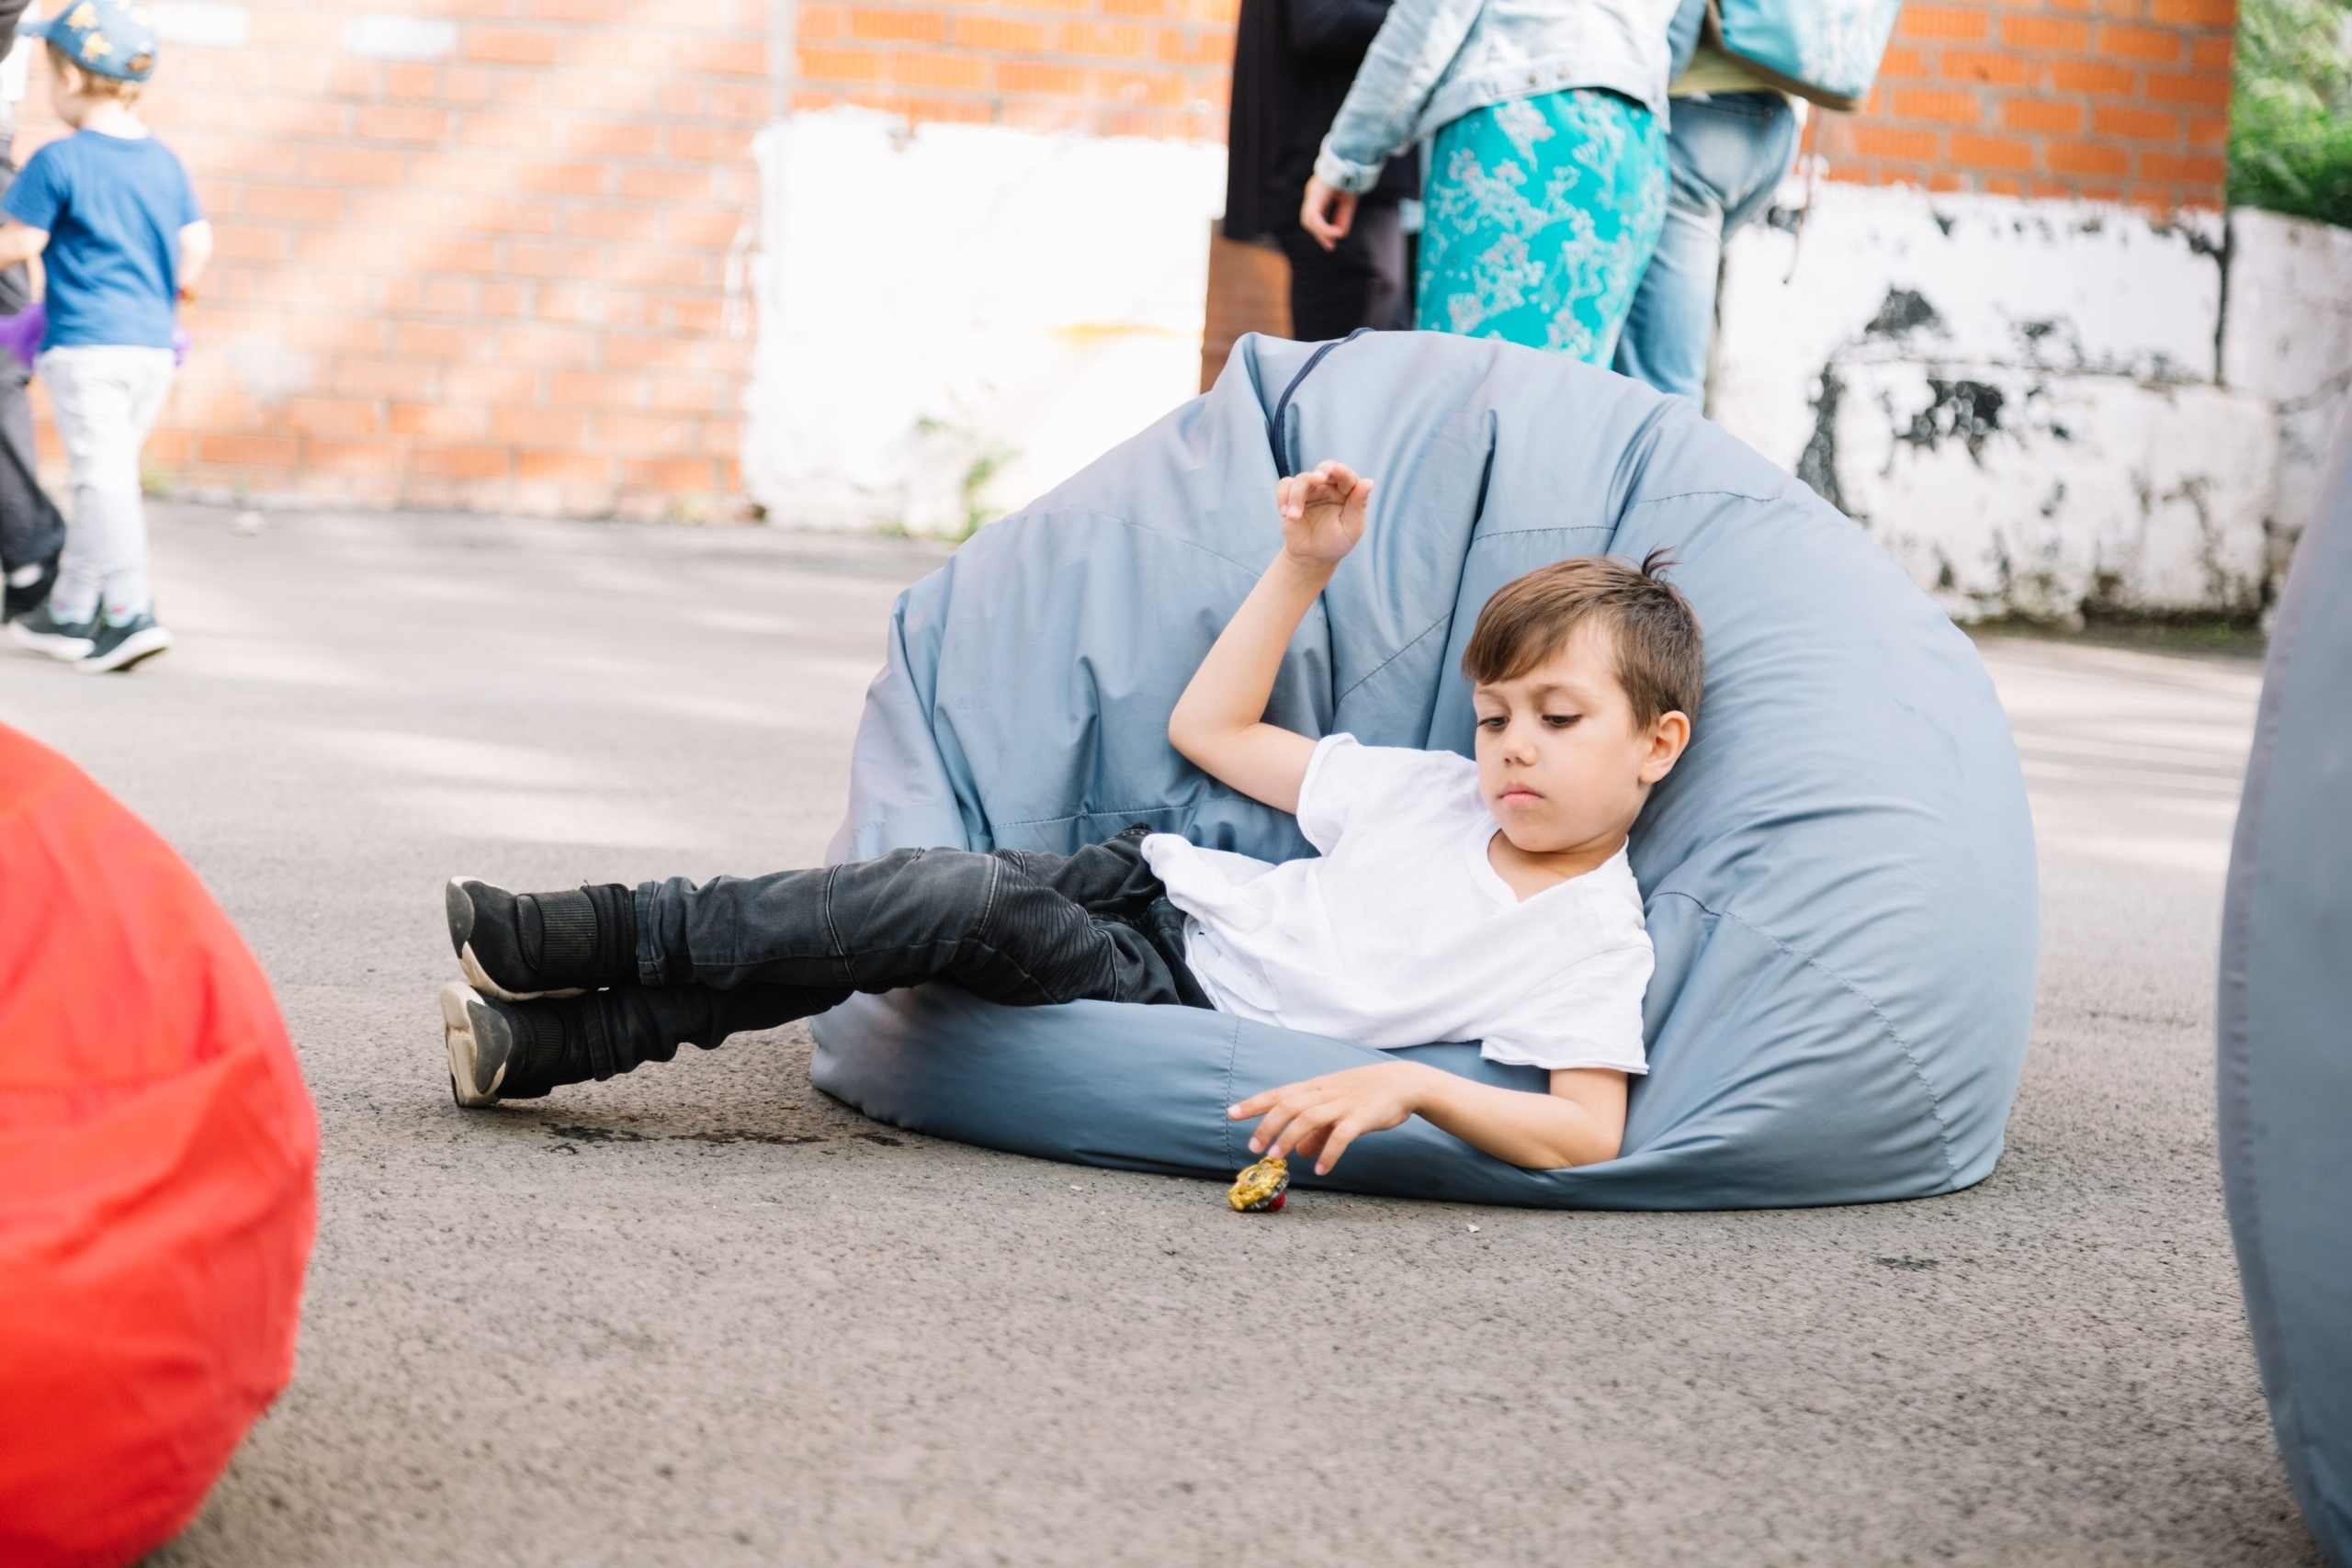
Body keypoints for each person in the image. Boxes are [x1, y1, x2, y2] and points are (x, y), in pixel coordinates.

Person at [435, 461, 1702, 1175]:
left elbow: (1587, 1128)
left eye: (1557, 717)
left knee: (952, 899)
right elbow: (1213, 730)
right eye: (1493, 716)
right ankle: (556, 1041)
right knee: (885, 912)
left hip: (1173, 989)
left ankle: (591, 934)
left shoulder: (1591, 932)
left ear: (1657, 743)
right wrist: (1304, 566)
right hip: (1150, 882)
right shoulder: (1430, 791)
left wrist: (1412, 1085)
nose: (1511, 746)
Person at [0, 0, 209, 673]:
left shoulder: (58, 161)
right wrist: (171, 296)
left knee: (103, 478)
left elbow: (20, 243)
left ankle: (128, 610)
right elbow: (197, 244)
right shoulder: (165, 162)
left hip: (87, 347)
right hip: (153, 348)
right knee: (108, 475)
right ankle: (68, 607)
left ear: (71, 79)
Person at [1297, 0, 1680, 363]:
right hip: (1635, 140)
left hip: (1524, 133)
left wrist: (1347, 159)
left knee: (1473, 378)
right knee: (1570, 389)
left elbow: (1431, 18)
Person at [1611, 0, 1802, 406]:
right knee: (1680, 331)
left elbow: (1674, 41)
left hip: (1695, 111)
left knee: (1660, 388)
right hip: (1778, 119)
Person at [1225, 0, 1419, 341]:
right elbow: (1323, 20)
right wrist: (1423, 17)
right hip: (1328, 177)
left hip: (1336, 173)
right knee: (1353, 343)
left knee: (1363, 341)